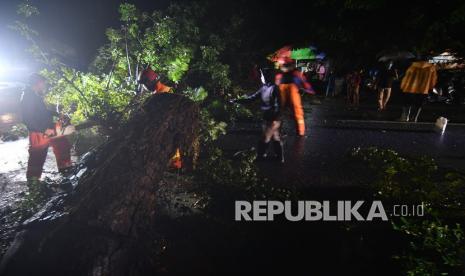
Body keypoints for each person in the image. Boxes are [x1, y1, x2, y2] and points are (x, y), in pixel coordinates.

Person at [20, 74, 72, 181]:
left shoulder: (34, 96)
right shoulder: (28, 98)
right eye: (43, 83)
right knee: (37, 156)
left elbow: (43, 112)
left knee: (62, 144)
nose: (44, 85)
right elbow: (27, 119)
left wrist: (57, 114)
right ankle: (33, 182)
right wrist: (44, 129)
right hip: (39, 132)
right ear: (38, 83)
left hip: (47, 128)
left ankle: (66, 171)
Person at [233, 68, 284, 162]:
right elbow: (251, 98)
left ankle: (261, 157)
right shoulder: (264, 88)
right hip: (268, 117)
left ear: (267, 76)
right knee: (275, 137)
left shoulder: (274, 88)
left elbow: (278, 105)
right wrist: (236, 101)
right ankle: (279, 158)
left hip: (273, 119)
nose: (261, 77)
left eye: (262, 75)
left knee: (265, 137)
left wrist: (275, 118)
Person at [138, 67, 182, 169]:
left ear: (154, 79)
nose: (145, 86)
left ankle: (174, 165)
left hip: (166, 133)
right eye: (144, 83)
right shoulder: (157, 94)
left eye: (146, 82)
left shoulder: (164, 92)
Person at [275, 60, 315, 136]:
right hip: (290, 96)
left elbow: (275, 86)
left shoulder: (281, 75)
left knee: (280, 112)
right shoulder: (296, 74)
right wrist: (309, 90)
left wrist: (308, 90)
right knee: (295, 113)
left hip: (285, 95)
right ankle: (300, 132)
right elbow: (305, 84)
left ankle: (277, 130)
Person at [399, 57, 437, 122]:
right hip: (423, 89)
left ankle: (405, 118)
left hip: (410, 89)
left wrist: (402, 86)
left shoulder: (412, 66)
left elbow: (406, 77)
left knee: (407, 103)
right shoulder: (431, 68)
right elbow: (433, 79)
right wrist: (430, 87)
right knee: (418, 105)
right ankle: (414, 118)